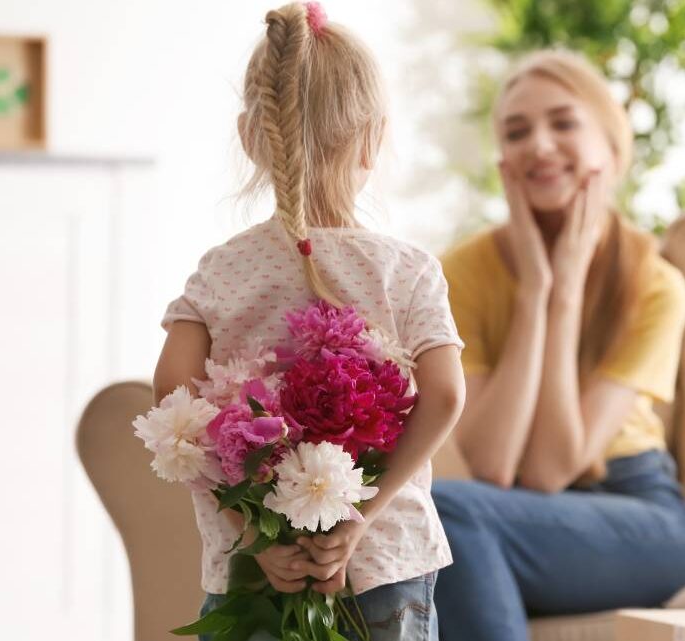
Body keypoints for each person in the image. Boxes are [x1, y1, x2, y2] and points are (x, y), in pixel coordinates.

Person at [149, 3, 465, 640]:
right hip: (383, 561)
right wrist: (359, 518)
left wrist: (249, 531)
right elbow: (447, 393)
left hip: (256, 570)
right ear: (374, 139)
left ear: (249, 136)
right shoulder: (406, 270)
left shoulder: (221, 270)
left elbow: (171, 400)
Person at [432, 49, 685, 641]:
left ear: (611, 146)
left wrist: (566, 294)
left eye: (563, 123)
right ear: (503, 161)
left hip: (640, 515)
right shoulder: (464, 271)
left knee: (446, 514)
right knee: (429, 523)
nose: (540, 145)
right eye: (517, 131)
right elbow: (497, 465)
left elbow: (553, 469)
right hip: (520, 515)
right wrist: (535, 291)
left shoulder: (656, 285)